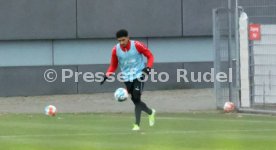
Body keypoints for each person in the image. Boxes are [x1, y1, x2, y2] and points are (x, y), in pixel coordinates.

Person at [100, 29, 156, 131]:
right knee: (136, 101)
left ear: (128, 38)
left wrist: (148, 67)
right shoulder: (115, 50)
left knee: (136, 95)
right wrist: (106, 75)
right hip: (127, 78)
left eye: (123, 40)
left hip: (139, 75)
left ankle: (136, 125)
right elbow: (113, 65)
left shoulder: (137, 45)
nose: (121, 43)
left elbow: (150, 56)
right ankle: (150, 112)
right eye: (119, 41)